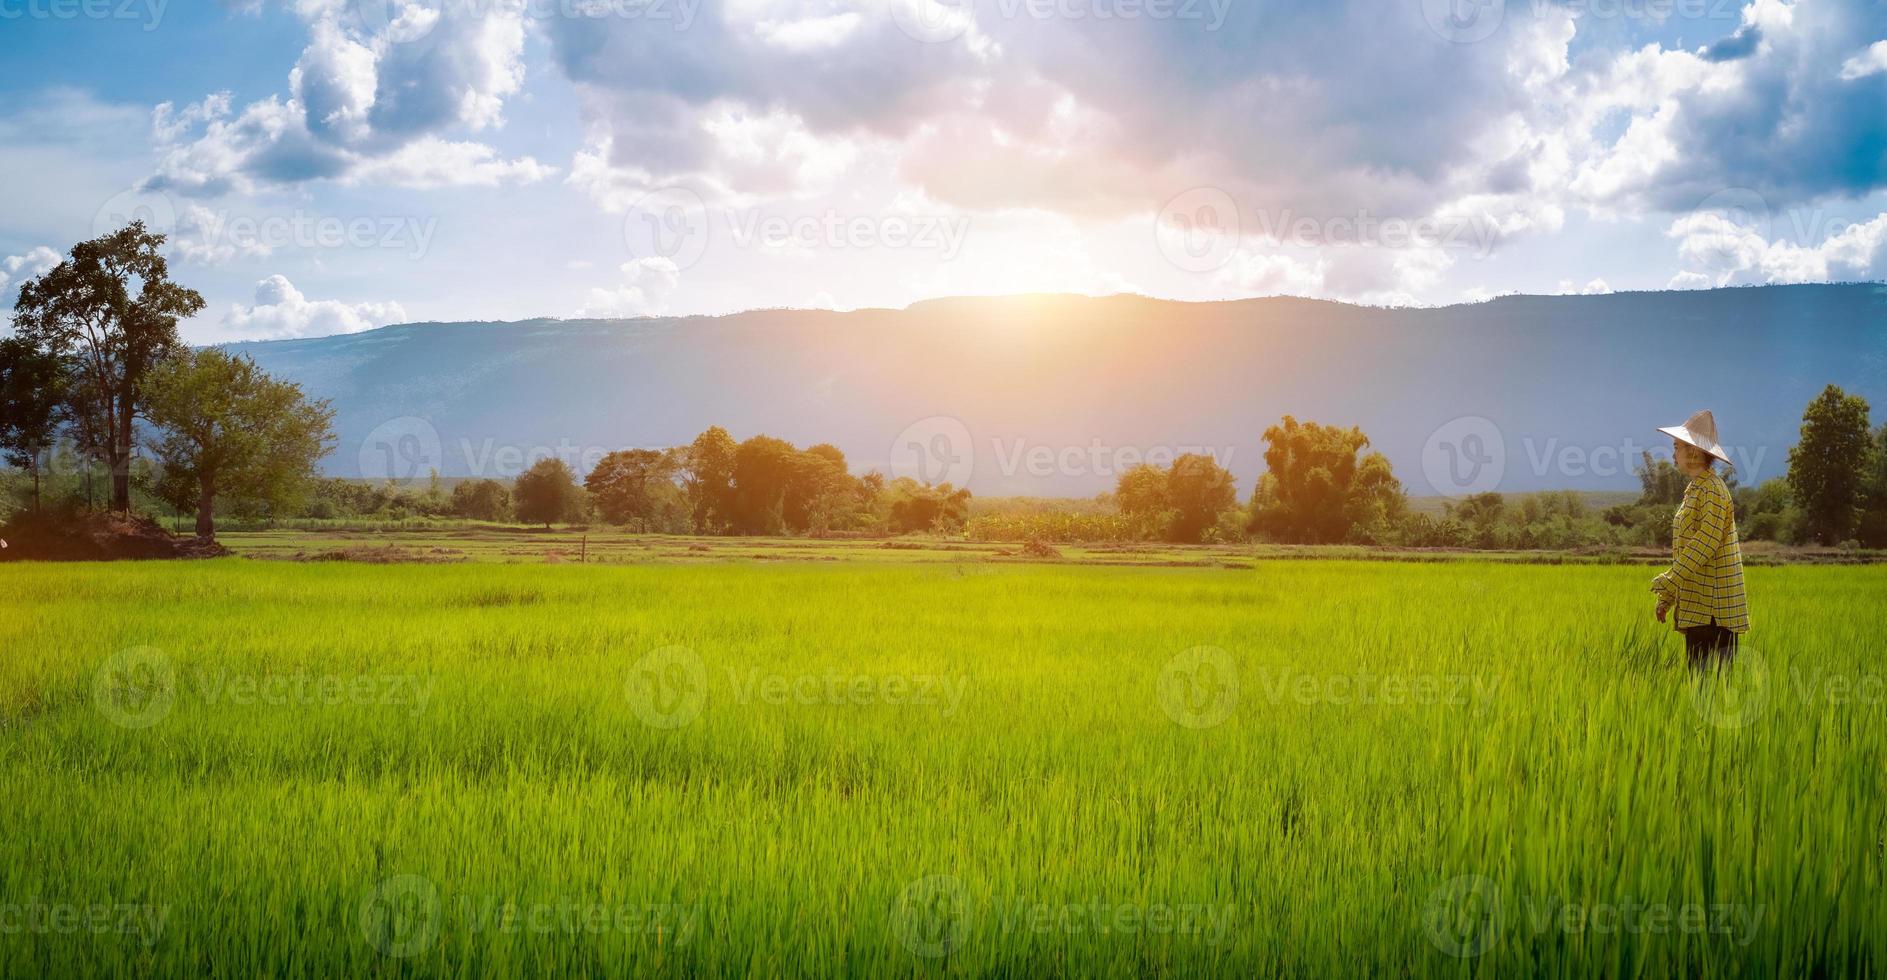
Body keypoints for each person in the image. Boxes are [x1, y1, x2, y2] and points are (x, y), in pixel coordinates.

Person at [1650, 410, 1749, 671]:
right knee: (1700, 693)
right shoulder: (1695, 490)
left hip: (1715, 613)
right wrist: (1668, 596)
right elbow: (1686, 550)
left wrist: (1669, 580)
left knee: (1712, 695)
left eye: (1677, 447)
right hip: (1699, 608)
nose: (1673, 454)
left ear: (1694, 452)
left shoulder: (1713, 491)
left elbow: (1704, 544)